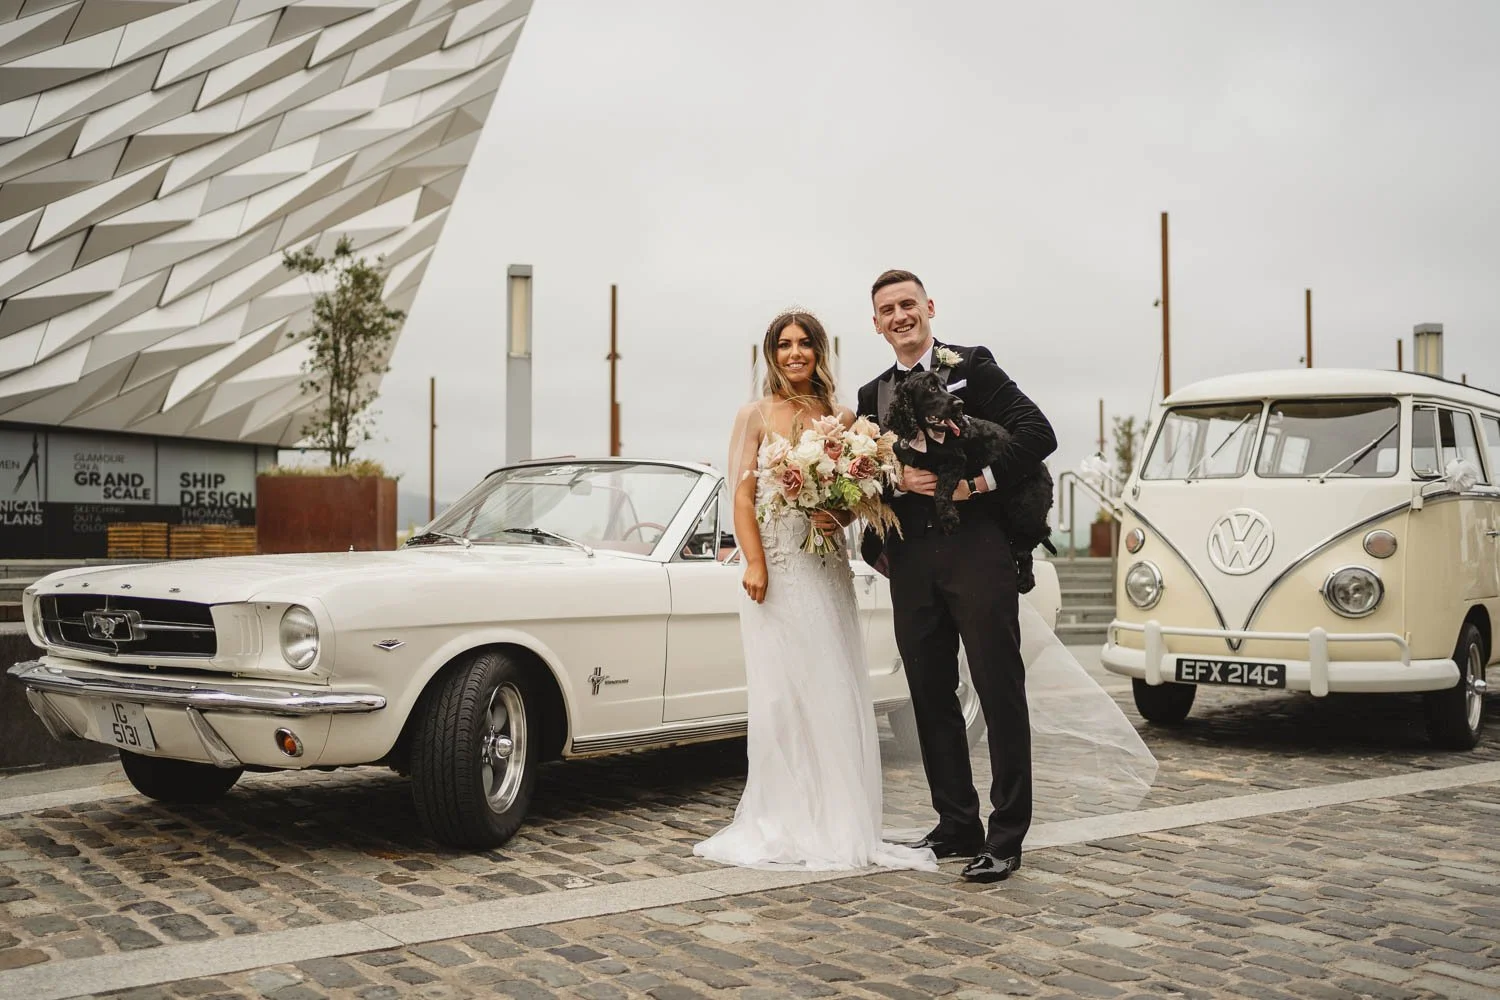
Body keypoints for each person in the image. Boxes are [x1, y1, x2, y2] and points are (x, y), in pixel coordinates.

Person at [692, 309, 938, 872]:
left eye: (805, 344)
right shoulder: (753, 414)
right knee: (781, 696)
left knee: (831, 685)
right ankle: (784, 818)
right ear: (771, 354)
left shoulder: (839, 415)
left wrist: (840, 516)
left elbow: (855, 495)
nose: (795, 353)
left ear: (819, 351)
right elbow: (741, 497)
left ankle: (838, 818)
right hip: (775, 570)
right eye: (784, 345)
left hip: (825, 570)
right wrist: (754, 561)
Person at [856, 268, 1055, 883]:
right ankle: (956, 822)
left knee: (998, 689)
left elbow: (1038, 435)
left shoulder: (974, 366)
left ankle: (1006, 834)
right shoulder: (871, 396)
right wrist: (895, 479)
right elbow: (867, 475)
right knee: (929, 695)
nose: (899, 316)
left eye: (908, 304)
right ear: (876, 322)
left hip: (977, 550)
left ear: (929, 307)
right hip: (910, 558)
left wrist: (976, 485)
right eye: (887, 309)